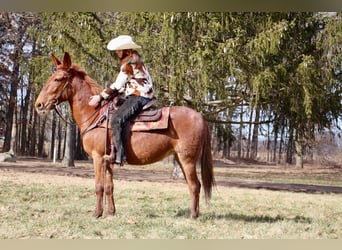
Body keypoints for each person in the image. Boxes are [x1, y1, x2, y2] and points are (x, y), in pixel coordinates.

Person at [88, 35, 154, 165]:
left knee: (116, 119)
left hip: (138, 96)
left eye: (119, 50)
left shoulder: (129, 64)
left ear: (126, 50)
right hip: (142, 94)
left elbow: (117, 85)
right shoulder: (136, 60)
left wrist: (100, 96)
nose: (117, 53)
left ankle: (120, 154)